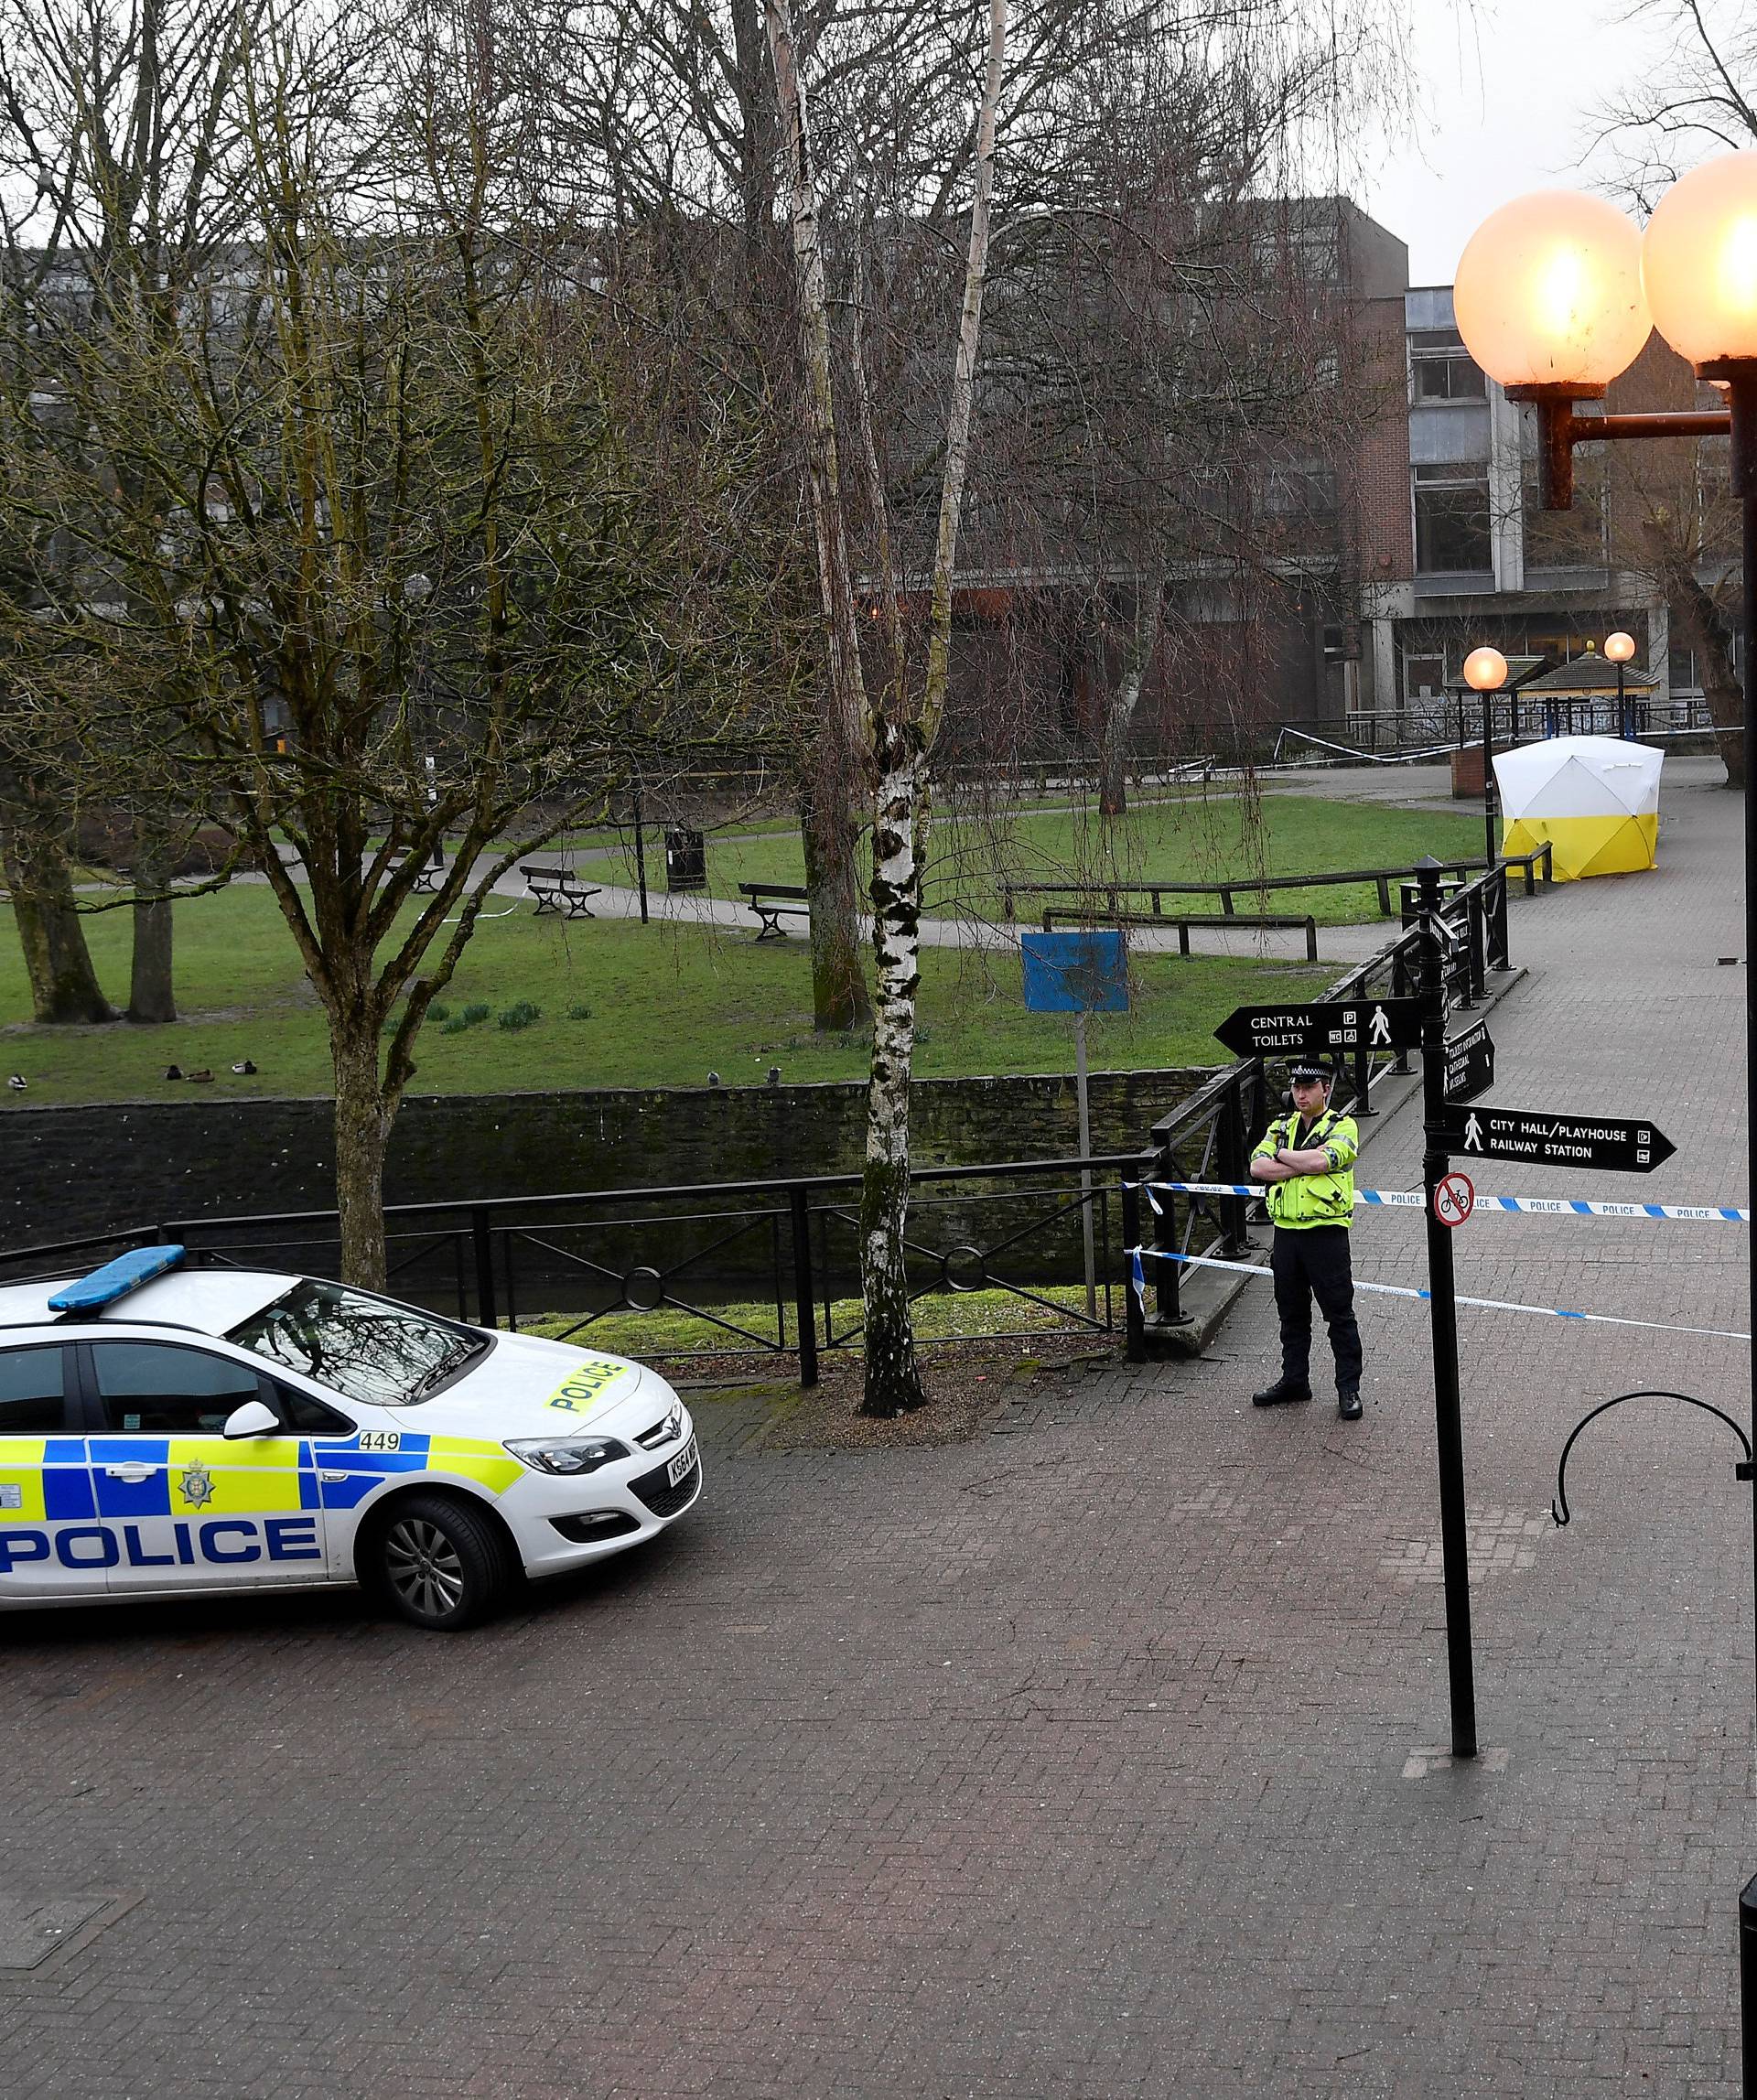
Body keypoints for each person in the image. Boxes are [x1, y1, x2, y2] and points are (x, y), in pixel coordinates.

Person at [1247, 1058, 1364, 1420]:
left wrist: (1282, 1157)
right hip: (1286, 1233)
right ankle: (1295, 1380)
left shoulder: (1343, 1126)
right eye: (1296, 1087)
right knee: (1291, 1314)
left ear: (1325, 1089)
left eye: (1308, 1087)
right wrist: (1299, 1159)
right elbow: (1256, 1167)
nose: (1300, 1094)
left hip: (1325, 1233)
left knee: (1339, 1314)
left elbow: (1324, 1161)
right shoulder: (1281, 1125)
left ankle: (1349, 1388)